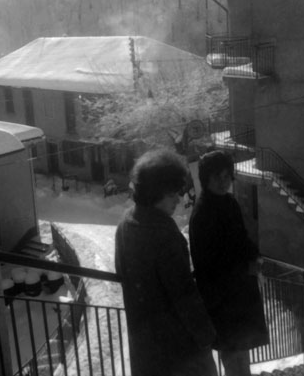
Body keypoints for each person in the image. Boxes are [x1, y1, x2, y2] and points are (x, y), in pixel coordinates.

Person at [115, 149, 218, 376]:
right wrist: (205, 334)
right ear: (155, 193)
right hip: (178, 349)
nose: (178, 200)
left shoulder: (126, 223)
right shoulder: (162, 232)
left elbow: (123, 273)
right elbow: (183, 293)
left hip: (144, 342)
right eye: (172, 195)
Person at [189, 150, 269, 376]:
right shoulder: (202, 213)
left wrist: (255, 255)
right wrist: (245, 268)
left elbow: (242, 238)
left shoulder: (229, 202)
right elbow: (208, 264)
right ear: (206, 178)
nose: (224, 182)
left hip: (239, 294)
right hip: (222, 300)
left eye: (227, 176)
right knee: (233, 354)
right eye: (218, 176)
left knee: (241, 352)